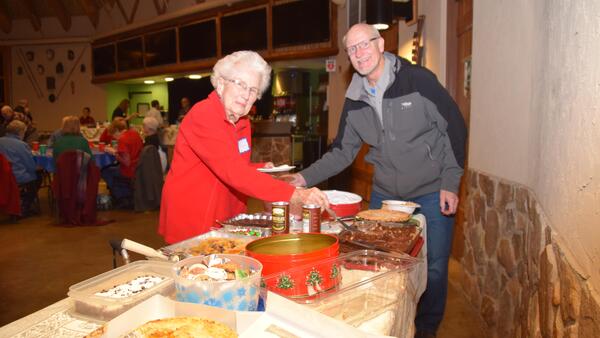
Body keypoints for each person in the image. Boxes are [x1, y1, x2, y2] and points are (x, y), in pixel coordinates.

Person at [284, 24, 467, 338]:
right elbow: (342, 152)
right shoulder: (354, 99)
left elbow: (453, 128)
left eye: (364, 45)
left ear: (380, 44)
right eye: (352, 49)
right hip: (387, 195)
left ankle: (426, 328)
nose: (359, 54)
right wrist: (302, 177)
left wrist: (450, 181)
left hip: (431, 190)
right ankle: (392, 324)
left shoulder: (418, 80)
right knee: (387, 267)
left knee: (434, 266)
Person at [159, 50, 330, 244]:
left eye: (253, 90)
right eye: (240, 84)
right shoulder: (204, 115)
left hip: (226, 213)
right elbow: (232, 172)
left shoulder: (242, 121)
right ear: (222, 83)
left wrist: (260, 169)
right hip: (194, 215)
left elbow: (234, 164)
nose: (246, 95)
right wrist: (296, 194)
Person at [0, 120, 40, 216]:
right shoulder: (21, 145)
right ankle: (24, 207)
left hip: (2, 176)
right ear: (21, 132)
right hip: (17, 176)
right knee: (37, 178)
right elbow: (30, 166)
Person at [101, 118, 144, 208]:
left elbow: (126, 162)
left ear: (116, 130)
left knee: (104, 171)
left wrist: (115, 153)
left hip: (129, 170)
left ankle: (121, 196)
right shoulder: (135, 133)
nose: (114, 138)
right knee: (113, 170)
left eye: (113, 135)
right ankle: (124, 193)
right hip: (138, 167)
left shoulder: (122, 139)